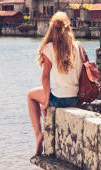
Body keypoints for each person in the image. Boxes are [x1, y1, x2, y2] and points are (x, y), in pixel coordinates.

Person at [27, 11, 84, 155]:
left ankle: (38, 134)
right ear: (69, 27)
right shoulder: (77, 46)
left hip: (59, 100)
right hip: (75, 98)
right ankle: (39, 133)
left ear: (52, 29)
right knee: (48, 91)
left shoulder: (49, 48)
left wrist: (46, 102)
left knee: (30, 96)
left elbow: (45, 77)